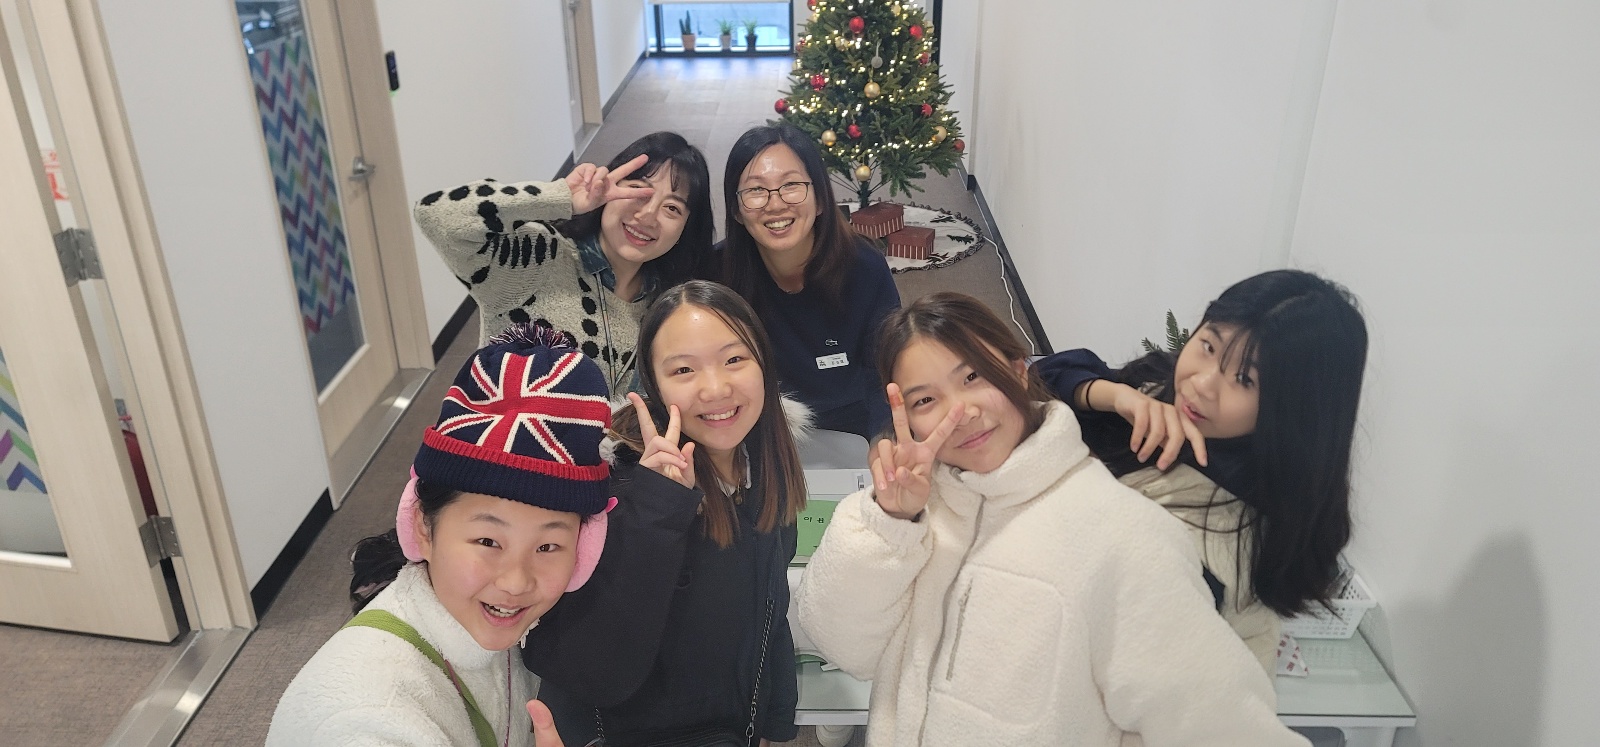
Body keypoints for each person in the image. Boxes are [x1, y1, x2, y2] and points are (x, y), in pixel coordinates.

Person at [795, 292, 1309, 747]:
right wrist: (890, 519)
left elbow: (1224, 726)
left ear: (1019, 370)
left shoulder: (1124, 535)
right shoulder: (908, 511)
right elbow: (842, 645)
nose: (961, 412)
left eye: (973, 377)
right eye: (925, 400)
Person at [268, 326, 616, 746]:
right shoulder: (365, 721)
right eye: (488, 542)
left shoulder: (482, 627)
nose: (516, 582)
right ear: (421, 527)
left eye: (547, 546)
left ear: (584, 549)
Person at [1033, 269, 1367, 673]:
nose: (1203, 383)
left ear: (1293, 408)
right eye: (1208, 345)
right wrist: (1114, 396)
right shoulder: (1160, 393)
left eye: (1244, 379)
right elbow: (1042, 377)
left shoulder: (1212, 542)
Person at [523, 280, 808, 746]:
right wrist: (654, 512)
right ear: (652, 386)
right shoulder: (612, 486)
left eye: (735, 359)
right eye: (684, 369)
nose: (716, 388)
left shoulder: (763, 463)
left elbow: (770, 615)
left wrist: (774, 724)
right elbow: (586, 667)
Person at [415, 131, 714, 394]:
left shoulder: (667, 305)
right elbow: (435, 214)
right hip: (509, 442)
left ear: (686, 229)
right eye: (637, 191)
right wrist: (560, 197)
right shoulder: (539, 258)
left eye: (672, 208)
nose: (647, 216)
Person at [711, 124, 900, 440]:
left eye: (791, 185)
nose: (775, 204)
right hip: (755, 426)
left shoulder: (865, 267)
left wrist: (883, 440)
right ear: (737, 211)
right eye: (756, 190)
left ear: (821, 199)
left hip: (855, 424)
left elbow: (884, 369)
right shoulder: (716, 275)